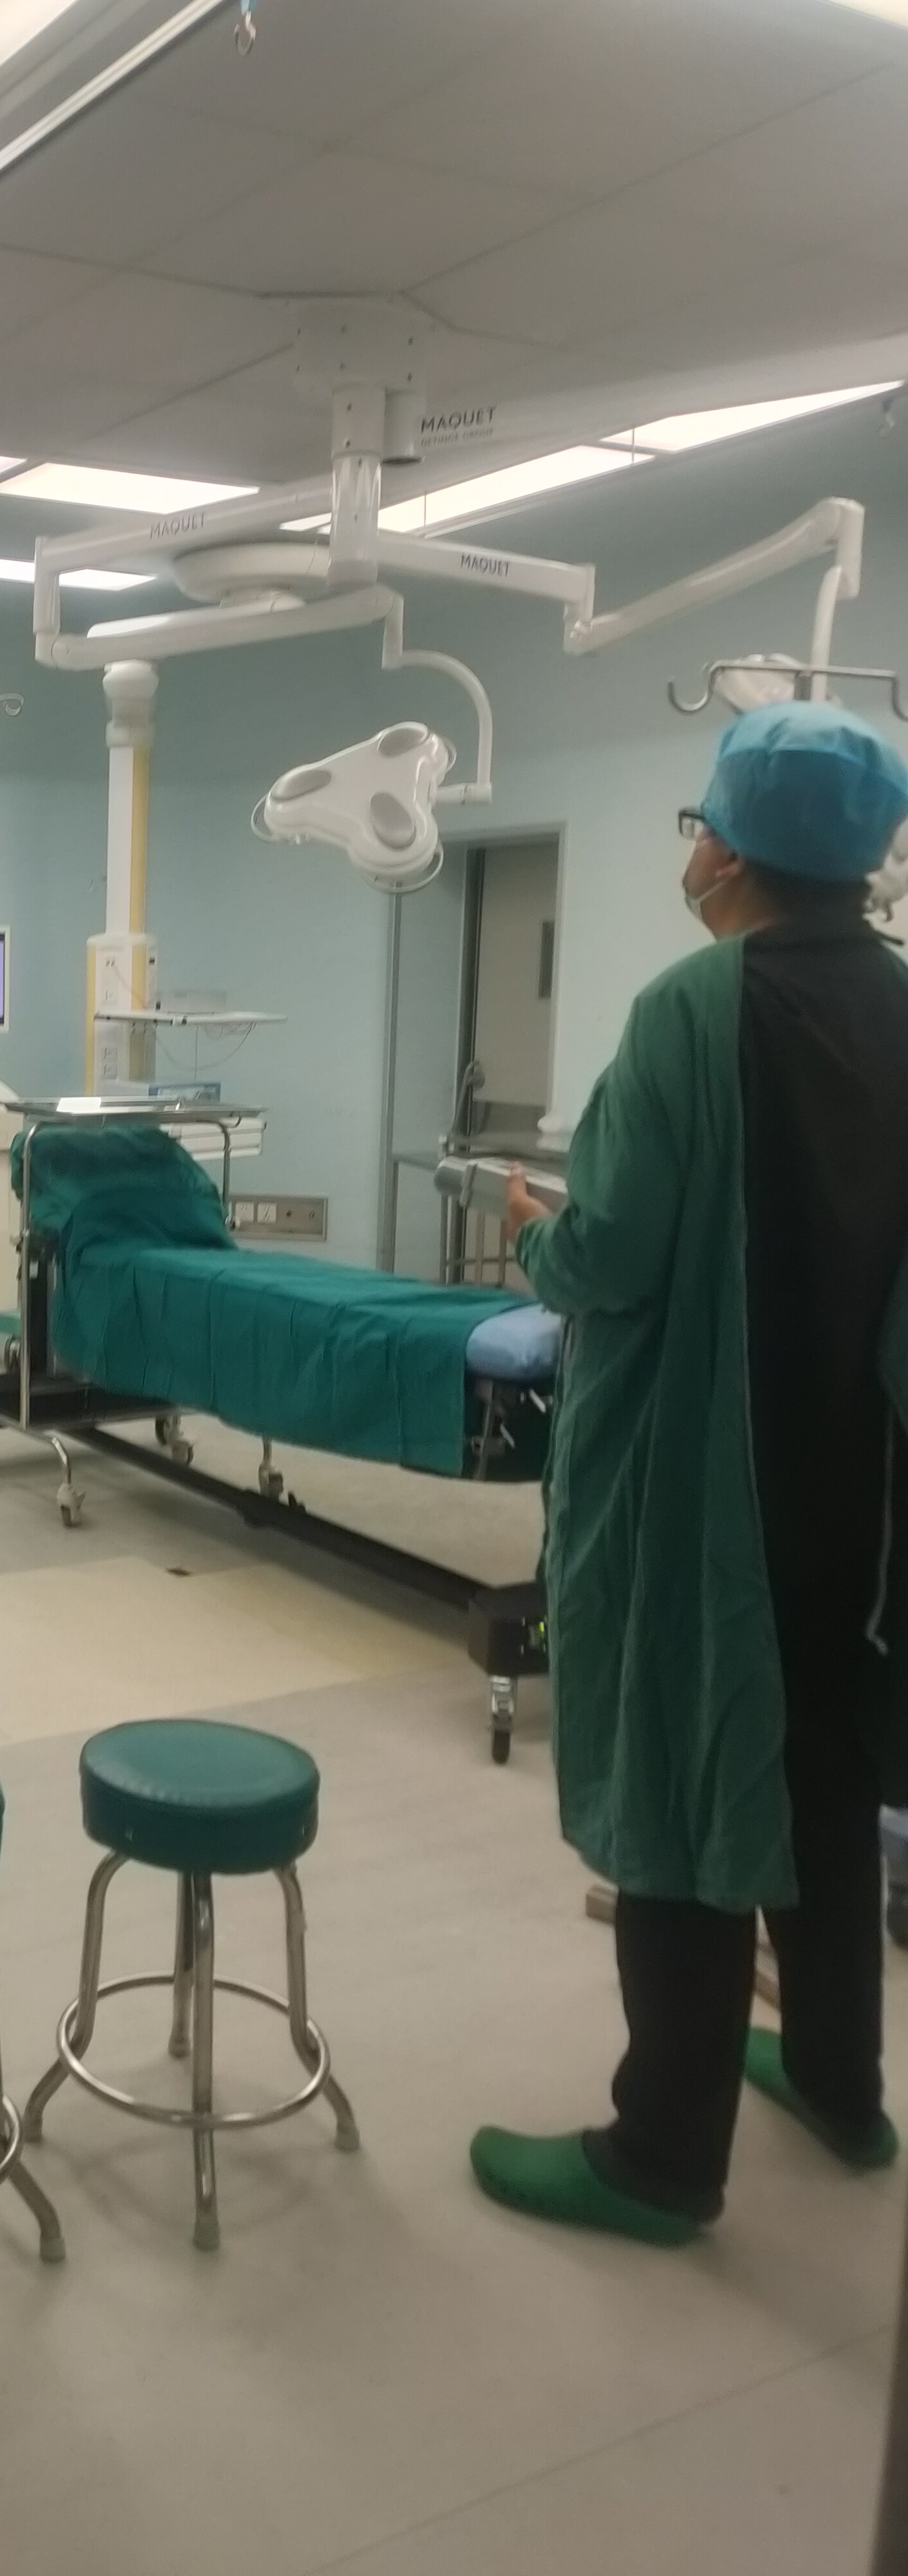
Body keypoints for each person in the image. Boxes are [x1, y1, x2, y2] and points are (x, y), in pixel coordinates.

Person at [470, 699, 908, 2247]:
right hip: (862, 1498)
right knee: (821, 1775)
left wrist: (531, 1228)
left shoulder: (686, 1012)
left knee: (681, 1780)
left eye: (697, 822)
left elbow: (611, 1255)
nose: (692, 848)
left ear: (731, 847)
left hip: (707, 1483)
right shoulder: (902, 1004)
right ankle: (844, 2087)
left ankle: (659, 2153)